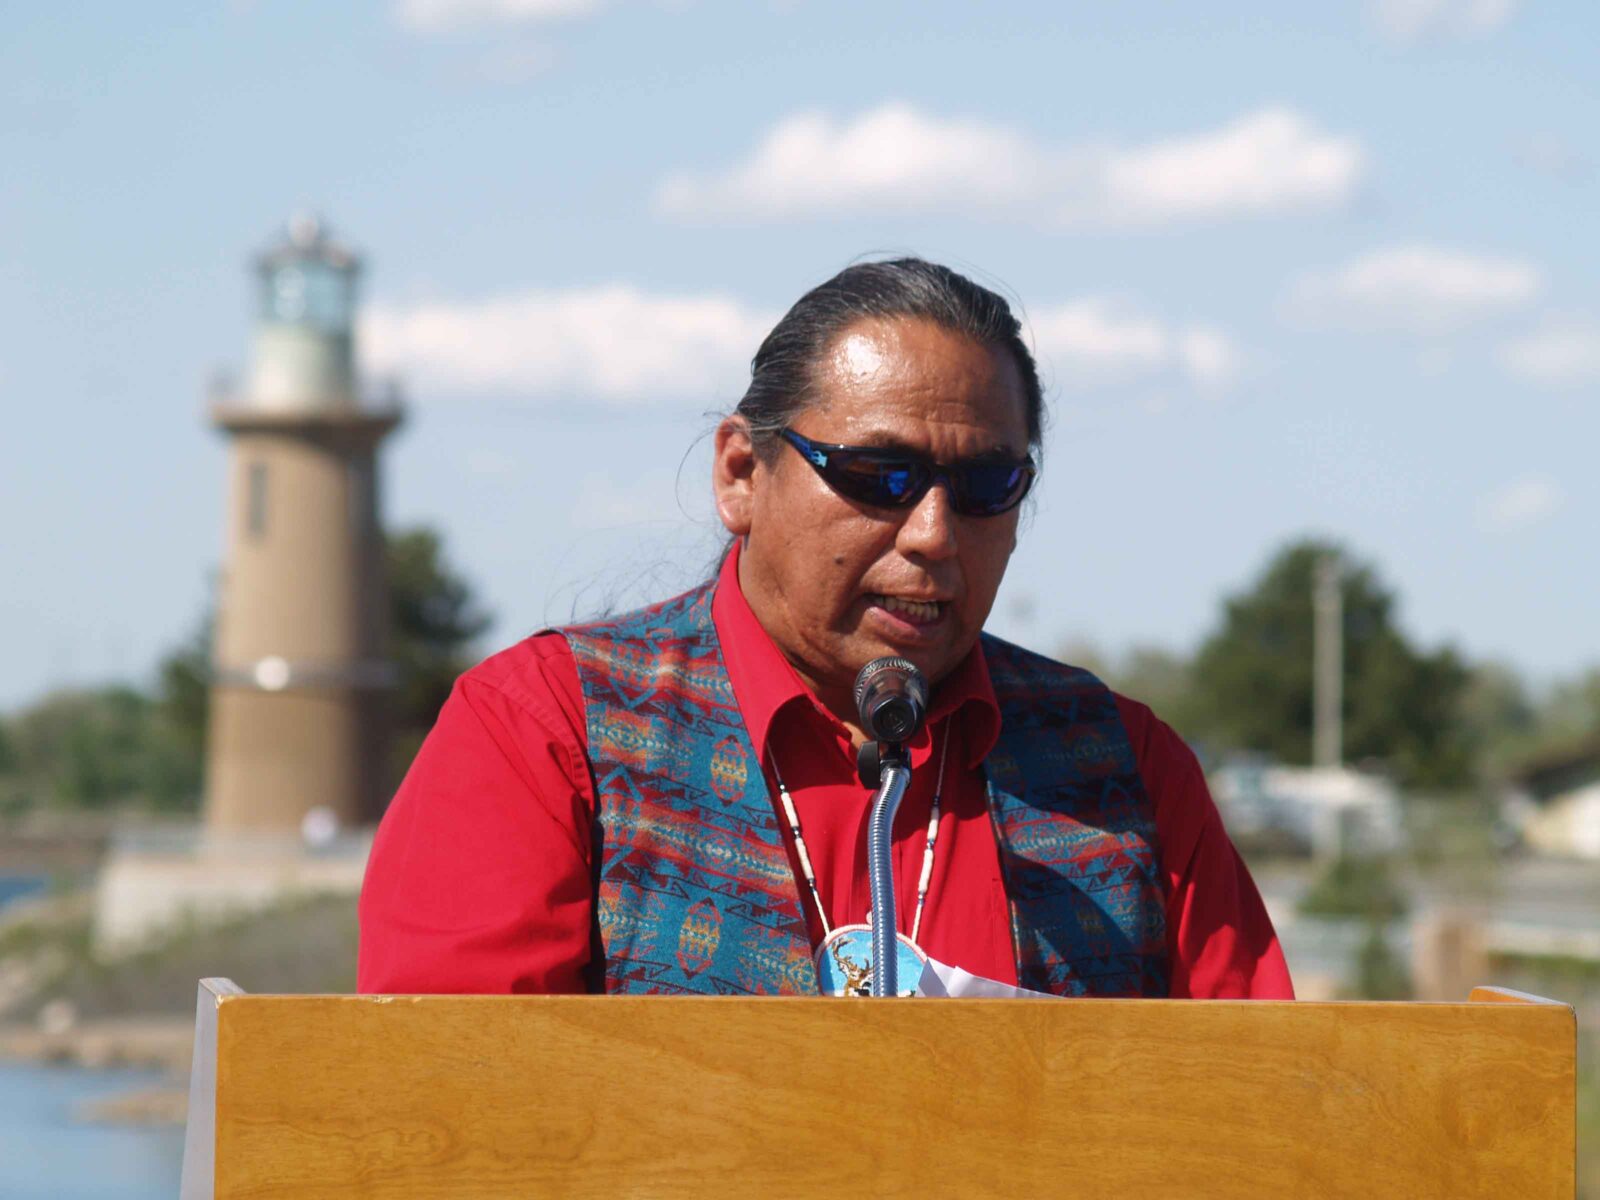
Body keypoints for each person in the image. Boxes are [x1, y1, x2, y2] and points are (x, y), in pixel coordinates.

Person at [358, 258, 1293, 1000]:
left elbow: (1263, 1115)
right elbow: (450, 1115)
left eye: (984, 487)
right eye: (878, 475)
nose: (931, 534)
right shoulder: (545, 733)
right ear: (739, 473)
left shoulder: (1126, 769)